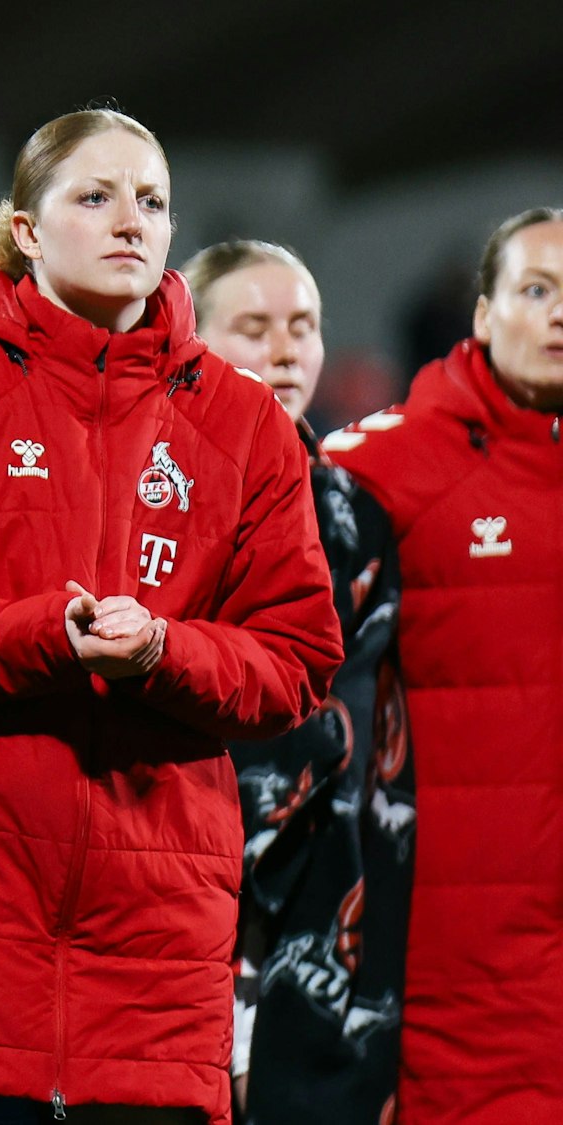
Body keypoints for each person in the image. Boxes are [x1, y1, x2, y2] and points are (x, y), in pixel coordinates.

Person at [0, 109, 344, 1125]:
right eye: (94, 198)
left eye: (149, 201)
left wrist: (163, 650)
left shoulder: (241, 426)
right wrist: (35, 640)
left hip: (150, 981)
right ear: (24, 230)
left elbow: (293, 660)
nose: (128, 223)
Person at [322, 207, 563, 1124]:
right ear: (483, 313)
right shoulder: (382, 470)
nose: (559, 315)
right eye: (537, 291)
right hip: (453, 973)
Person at [185, 241, 408, 1124]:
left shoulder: (359, 514)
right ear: (193, 340)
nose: (286, 350)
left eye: (303, 327)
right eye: (254, 326)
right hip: (190, 896)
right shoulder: (153, 498)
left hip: (331, 918)